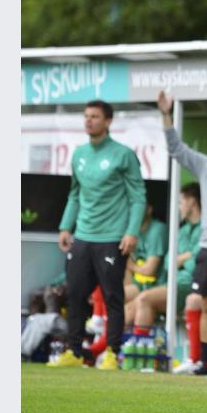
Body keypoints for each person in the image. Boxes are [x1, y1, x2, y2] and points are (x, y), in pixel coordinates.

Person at [48, 99, 146, 370]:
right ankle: (74, 351)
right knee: (75, 295)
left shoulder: (123, 155)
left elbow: (137, 196)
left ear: (108, 121)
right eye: (86, 116)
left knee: (113, 296)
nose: (88, 121)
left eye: (94, 116)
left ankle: (113, 352)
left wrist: (131, 231)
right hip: (83, 235)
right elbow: (75, 193)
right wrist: (66, 226)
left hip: (113, 238)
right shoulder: (79, 154)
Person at [159, 91, 207, 374]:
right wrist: (166, 115)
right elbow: (176, 150)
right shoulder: (206, 166)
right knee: (206, 303)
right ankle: (206, 363)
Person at [125, 183, 207, 371]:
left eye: (180, 202)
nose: (178, 207)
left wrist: (183, 258)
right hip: (172, 283)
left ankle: (142, 359)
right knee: (132, 304)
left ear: (192, 201)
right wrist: (186, 257)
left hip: (191, 285)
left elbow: (198, 263)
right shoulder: (182, 229)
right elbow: (169, 262)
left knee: (144, 299)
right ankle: (116, 352)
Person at [122, 203, 168, 306]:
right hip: (137, 282)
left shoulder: (157, 229)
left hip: (154, 284)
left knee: (116, 297)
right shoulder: (132, 231)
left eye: (139, 208)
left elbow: (149, 270)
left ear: (149, 209)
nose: (134, 212)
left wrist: (130, 265)